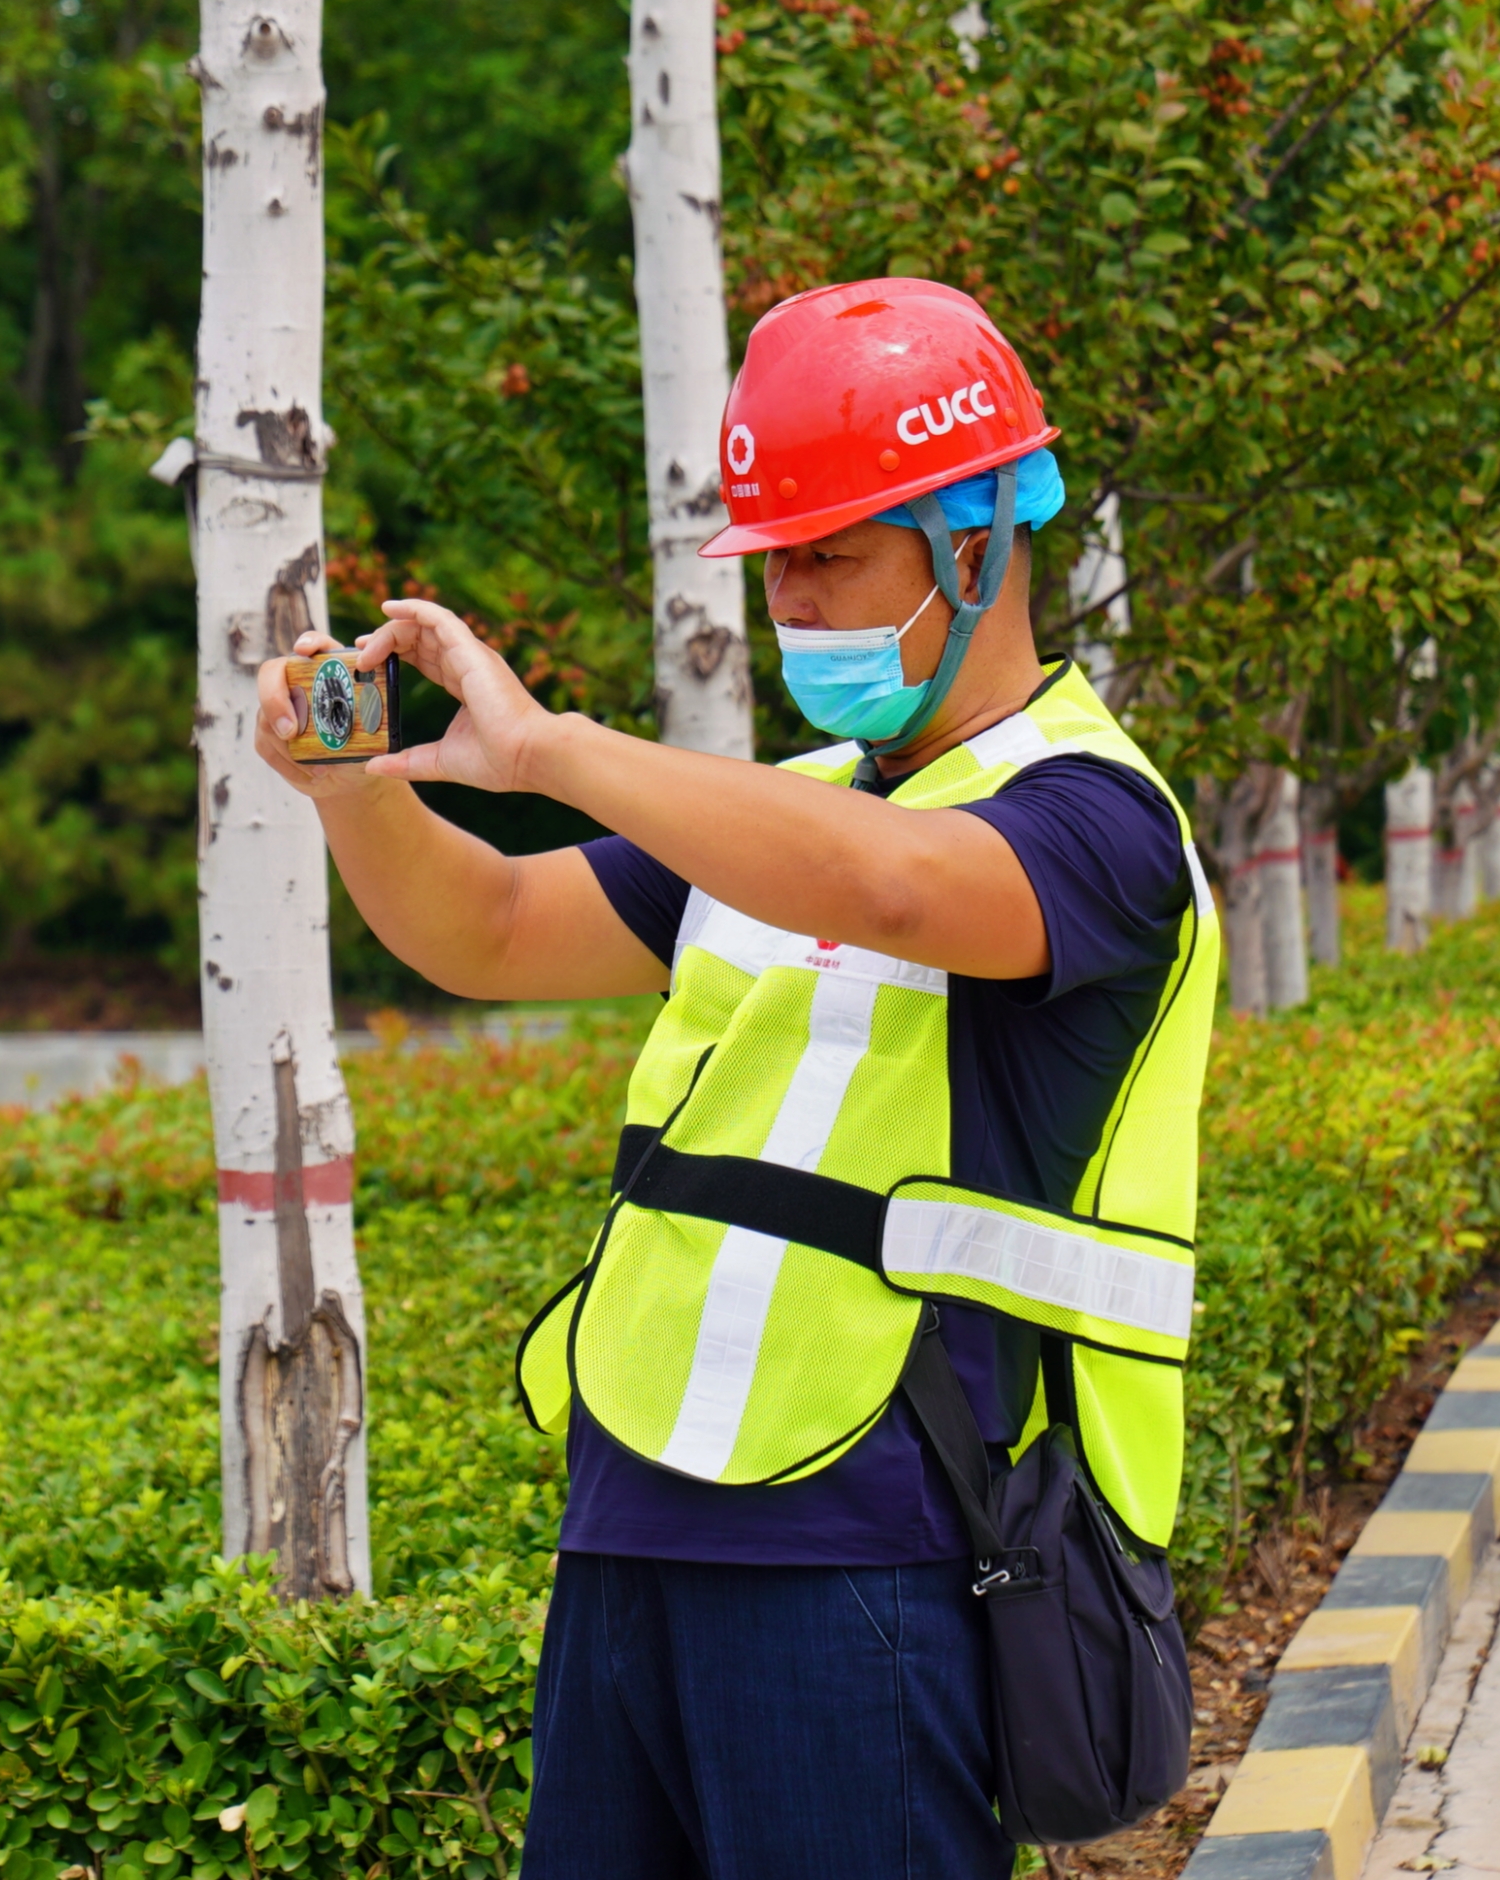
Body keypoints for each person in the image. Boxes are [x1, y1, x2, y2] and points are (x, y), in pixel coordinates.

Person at [254, 278, 1211, 1877]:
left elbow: (904, 889)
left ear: (977, 536)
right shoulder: (782, 808)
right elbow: (488, 925)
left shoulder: (1101, 822)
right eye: (779, 567)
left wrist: (551, 746)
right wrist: (354, 791)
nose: (803, 605)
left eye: (837, 553)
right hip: (634, 1505)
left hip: (879, 1533)